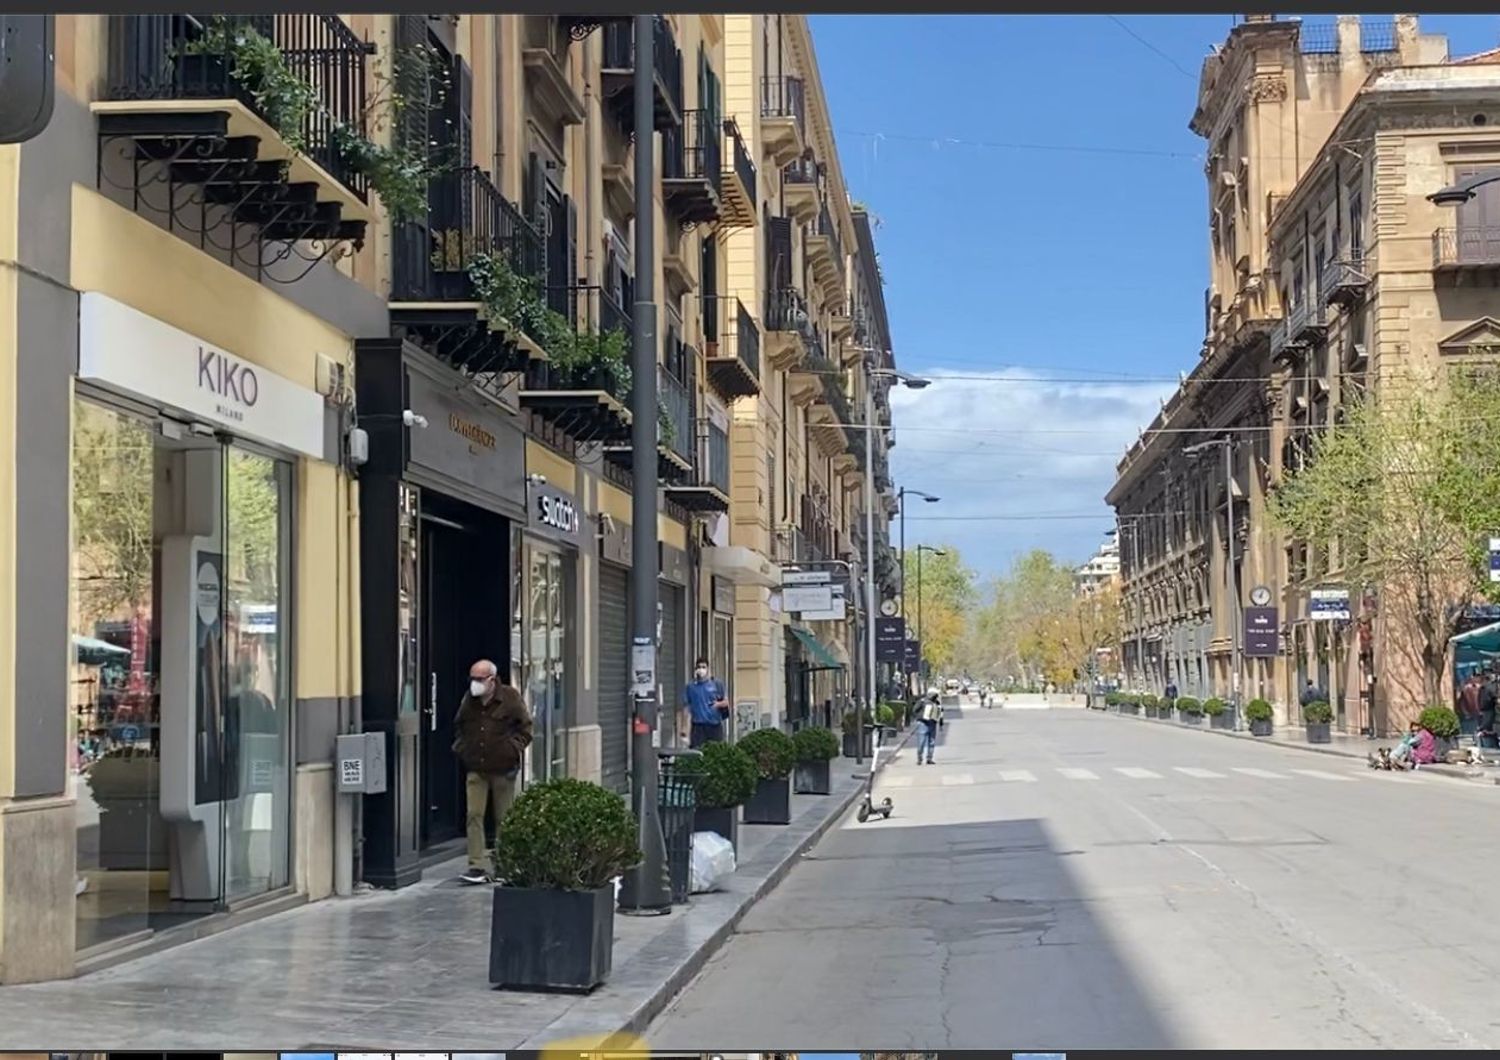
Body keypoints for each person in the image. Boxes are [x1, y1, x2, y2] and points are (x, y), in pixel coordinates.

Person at [453, 659, 533, 885]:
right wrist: (462, 749)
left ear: (491, 680)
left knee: (504, 818)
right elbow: (459, 724)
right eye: (472, 679)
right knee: (473, 815)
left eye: (479, 679)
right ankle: (476, 865)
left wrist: (511, 749)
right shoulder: (470, 700)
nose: (474, 684)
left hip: (503, 768)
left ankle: (505, 864)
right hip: (476, 767)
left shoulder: (509, 698)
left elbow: (525, 727)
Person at [682, 657, 729, 748]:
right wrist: (684, 728)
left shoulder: (716, 684)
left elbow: (726, 702)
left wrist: (717, 704)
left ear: (708, 669)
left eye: (703, 667)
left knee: (716, 752)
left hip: (714, 725)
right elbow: (686, 707)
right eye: (699, 667)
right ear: (695, 669)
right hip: (698, 727)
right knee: (697, 752)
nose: (701, 669)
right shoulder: (690, 687)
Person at [916, 691, 941, 765]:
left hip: (931, 723)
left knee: (929, 742)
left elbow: (939, 713)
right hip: (924, 723)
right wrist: (920, 717)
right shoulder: (922, 702)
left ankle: (928, 758)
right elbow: (915, 710)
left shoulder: (936, 703)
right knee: (923, 742)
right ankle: (921, 758)